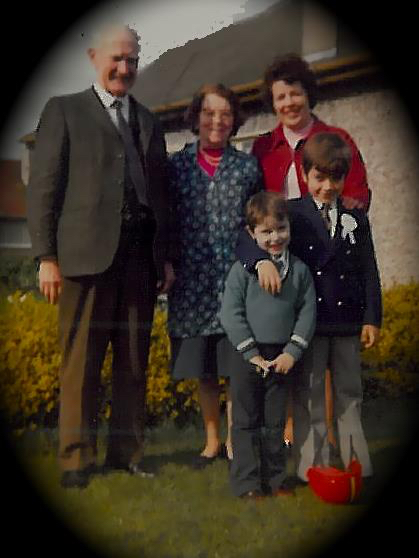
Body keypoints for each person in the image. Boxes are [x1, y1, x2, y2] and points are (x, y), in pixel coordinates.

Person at [27, 24, 175, 489]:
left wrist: (164, 258)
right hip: (83, 259)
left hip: (139, 260)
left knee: (133, 363)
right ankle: (76, 459)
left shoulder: (148, 120)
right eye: (117, 58)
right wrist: (46, 256)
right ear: (94, 57)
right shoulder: (64, 111)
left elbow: (162, 196)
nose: (124, 68)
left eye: (132, 60)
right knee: (82, 364)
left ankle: (126, 454)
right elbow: (44, 188)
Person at [238, 53, 372, 444]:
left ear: (308, 94)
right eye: (280, 97)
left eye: (295, 93)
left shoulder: (337, 139)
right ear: (272, 102)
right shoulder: (264, 147)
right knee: (290, 343)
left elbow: (357, 197)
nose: (289, 103)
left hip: (328, 258)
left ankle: (329, 436)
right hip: (284, 257)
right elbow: (253, 208)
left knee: (327, 352)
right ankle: (293, 431)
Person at [237, 132, 382, 482]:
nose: (328, 186)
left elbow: (369, 269)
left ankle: (356, 463)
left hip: (348, 321)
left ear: (345, 177)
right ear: (304, 175)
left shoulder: (355, 216)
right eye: (320, 177)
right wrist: (260, 261)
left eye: (336, 178)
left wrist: (372, 318)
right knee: (310, 395)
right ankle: (313, 466)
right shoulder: (292, 213)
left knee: (349, 394)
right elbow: (245, 238)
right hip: (310, 323)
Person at [167, 84, 263, 468]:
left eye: (225, 114)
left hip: (236, 281)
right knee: (203, 367)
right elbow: (167, 221)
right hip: (192, 282)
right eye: (209, 113)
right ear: (196, 117)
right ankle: (210, 442)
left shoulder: (247, 167)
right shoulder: (177, 166)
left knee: (236, 367)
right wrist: (166, 262)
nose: (217, 121)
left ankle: (234, 440)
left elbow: (258, 224)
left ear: (234, 120)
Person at [219, 191, 316, 499]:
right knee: (245, 422)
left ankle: (275, 480)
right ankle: (247, 484)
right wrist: (251, 354)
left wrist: (292, 352)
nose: (275, 237)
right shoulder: (241, 271)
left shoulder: (299, 271)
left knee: (275, 422)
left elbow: (307, 312)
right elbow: (230, 314)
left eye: (281, 228)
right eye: (266, 232)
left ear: (289, 227)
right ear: (252, 234)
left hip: (282, 356)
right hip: (247, 356)